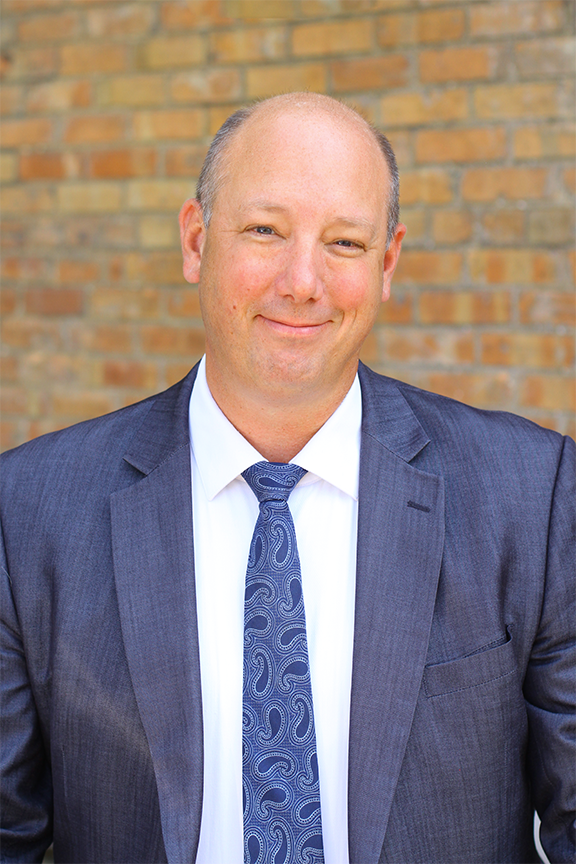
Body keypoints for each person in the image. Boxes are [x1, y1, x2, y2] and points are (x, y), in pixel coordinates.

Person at [0, 92, 575, 864]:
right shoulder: (29, 512)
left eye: (343, 242)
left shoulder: (531, 496)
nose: (303, 280)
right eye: (266, 231)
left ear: (387, 264)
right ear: (196, 241)